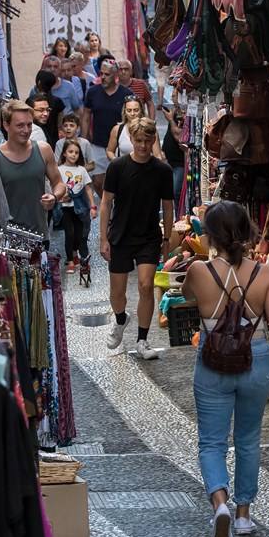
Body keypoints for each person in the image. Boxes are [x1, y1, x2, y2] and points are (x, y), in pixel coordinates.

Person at [182, 201, 269, 537]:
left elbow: (187, 296)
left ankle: (220, 505)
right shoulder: (265, 274)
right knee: (248, 439)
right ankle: (244, 514)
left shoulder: (198, 272)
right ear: (248, 231)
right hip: (256, 358)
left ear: (210, 235)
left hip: (212, 360)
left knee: (211, 442)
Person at [99, 117, 174, 362]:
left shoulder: (162, 170)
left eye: (147, 140)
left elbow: (168, 206)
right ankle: (121, 318)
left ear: (154, 140)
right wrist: (103, 238)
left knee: (145, 285)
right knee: (117, 293)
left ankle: (142, 339)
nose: (142, 146)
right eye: (138, 140)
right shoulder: (118, 167)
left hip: (148, 236)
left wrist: (166, 239)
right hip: (120, 234)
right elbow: (106, 203)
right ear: (131, 140)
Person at [0, 99, 65, 240]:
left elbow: (59, 183)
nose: (26, 130)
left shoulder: (43, 150)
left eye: (29, 125)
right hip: (6, 238)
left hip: (39, 235)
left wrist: (54, 196)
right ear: (6, 125)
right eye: (20, 125)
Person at [82, 59, 129, 196]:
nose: (102, 77)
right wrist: (84, 141)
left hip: (119, 145)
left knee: (120, 181)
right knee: (97, 181)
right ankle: (107, 206)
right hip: (98, 143)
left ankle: (116, 206)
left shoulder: (125, 94)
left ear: (115, 76)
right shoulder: (92, 92)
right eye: (101, 73)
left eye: (106, 74)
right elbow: (86, 117)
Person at [56, 138, 97, 273]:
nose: (73, 155)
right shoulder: (59, 170)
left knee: (79, 234)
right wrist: (60, 196)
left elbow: (88, 188)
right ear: (64, 154)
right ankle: (70, 260)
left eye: (76, 153)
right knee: (70, 233)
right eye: (70, 152)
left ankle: (75, 253)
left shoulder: (81, 170)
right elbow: (54, 186)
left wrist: (92, 206)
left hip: (80, 207)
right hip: (65, 207)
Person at [106, 97, 163, 161]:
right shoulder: (117, 129)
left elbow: (158, 155)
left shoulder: (150, 129)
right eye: (129, 110)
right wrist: (117, 162)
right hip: (124, 169)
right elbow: (109, 151)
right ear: (125, 111)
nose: (132, 114)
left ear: (141, 110)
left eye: (136, 110)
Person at [28, 70, 64, 147]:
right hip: (53, 139)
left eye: (48, 110)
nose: (45, 113)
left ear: (39, 83)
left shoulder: (31, 100)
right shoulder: (57, 101)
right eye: (41, 110)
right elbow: (60, 121)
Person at [161, 105, 185, 211]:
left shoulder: (184, 114)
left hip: (180, 163)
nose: (173, 96)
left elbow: (179, 137)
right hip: (170, 161)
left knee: (176, 192)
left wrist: (170, 119)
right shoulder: (176, 110)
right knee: (169, 192)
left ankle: (180, 216)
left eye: (175, 94)